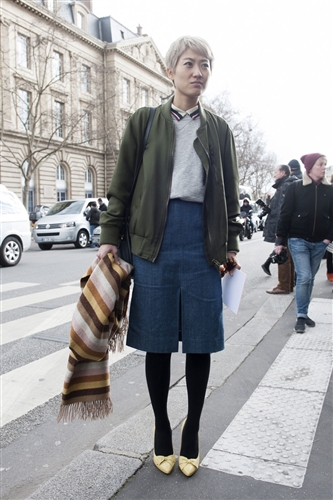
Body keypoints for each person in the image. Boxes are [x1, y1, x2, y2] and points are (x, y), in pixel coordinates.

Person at [97, 36, 242, 477]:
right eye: (189, 63)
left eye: (205, 65)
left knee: (200, 343)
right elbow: (121, 187)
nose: (198, 72)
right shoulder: (144, 122)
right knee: (157, 343)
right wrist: (108, 237)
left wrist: (231, 244)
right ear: (170, 70)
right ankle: (162, 427)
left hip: (202, 244)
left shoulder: (219, 128)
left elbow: (231, 194)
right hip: (152, 244)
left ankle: (193, 429)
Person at [275, 153, 333, 333]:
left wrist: (328, 238)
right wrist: (280, 241)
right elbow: (284, 214)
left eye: (325, 164)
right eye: (320, 164)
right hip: (298, 240)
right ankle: (300, 315)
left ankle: (304, 313)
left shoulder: (330, 190)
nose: (324, 167)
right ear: (309, 167)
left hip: (320, 243)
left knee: (309, 279)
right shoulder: (295, 188)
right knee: (305, 277)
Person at [261, 164, 297, 293]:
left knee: (281, 253)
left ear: (283, 173)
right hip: (288, 227)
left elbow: (283, 210)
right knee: (288, 255)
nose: (274, 174)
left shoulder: (284, 186)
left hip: (284, 228)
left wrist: (279, 232)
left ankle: (283, 286)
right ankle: (289, 284)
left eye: (276, 172)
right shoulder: (287, 185)